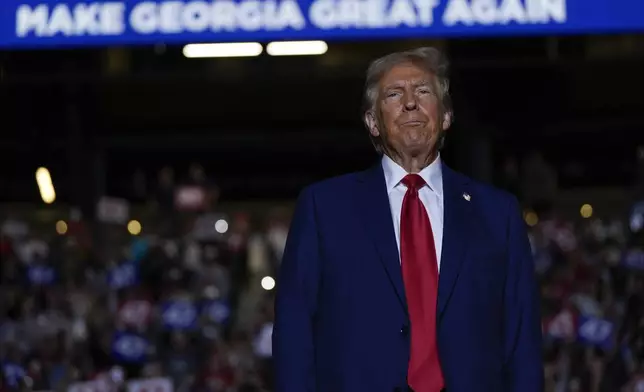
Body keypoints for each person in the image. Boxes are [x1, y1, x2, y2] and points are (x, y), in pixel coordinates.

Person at [273, 47, 543, 392]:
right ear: (372, 122)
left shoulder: (497, 212)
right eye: (394, 94)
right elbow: (294, 333)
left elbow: (522, 341)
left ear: (445, 116)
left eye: (424, 91)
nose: (411, 102)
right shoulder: (323, 207)